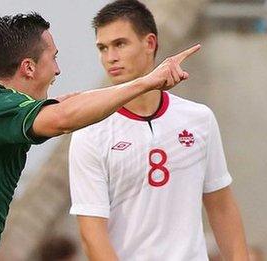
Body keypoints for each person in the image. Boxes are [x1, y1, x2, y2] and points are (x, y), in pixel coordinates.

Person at [0, 12, 199, 260]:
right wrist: (148, 82)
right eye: (53, 58)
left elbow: (65, 106)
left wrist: (129, 86)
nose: (58, 70)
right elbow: (62, 118)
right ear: (29, 67)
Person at [68, 1, 249, 260]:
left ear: (150, 43)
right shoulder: (89, 131)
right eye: (102, 48)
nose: (110, 57)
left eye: (120, 44)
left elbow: (221, 207)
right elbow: (91, 232)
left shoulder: (199, 118)